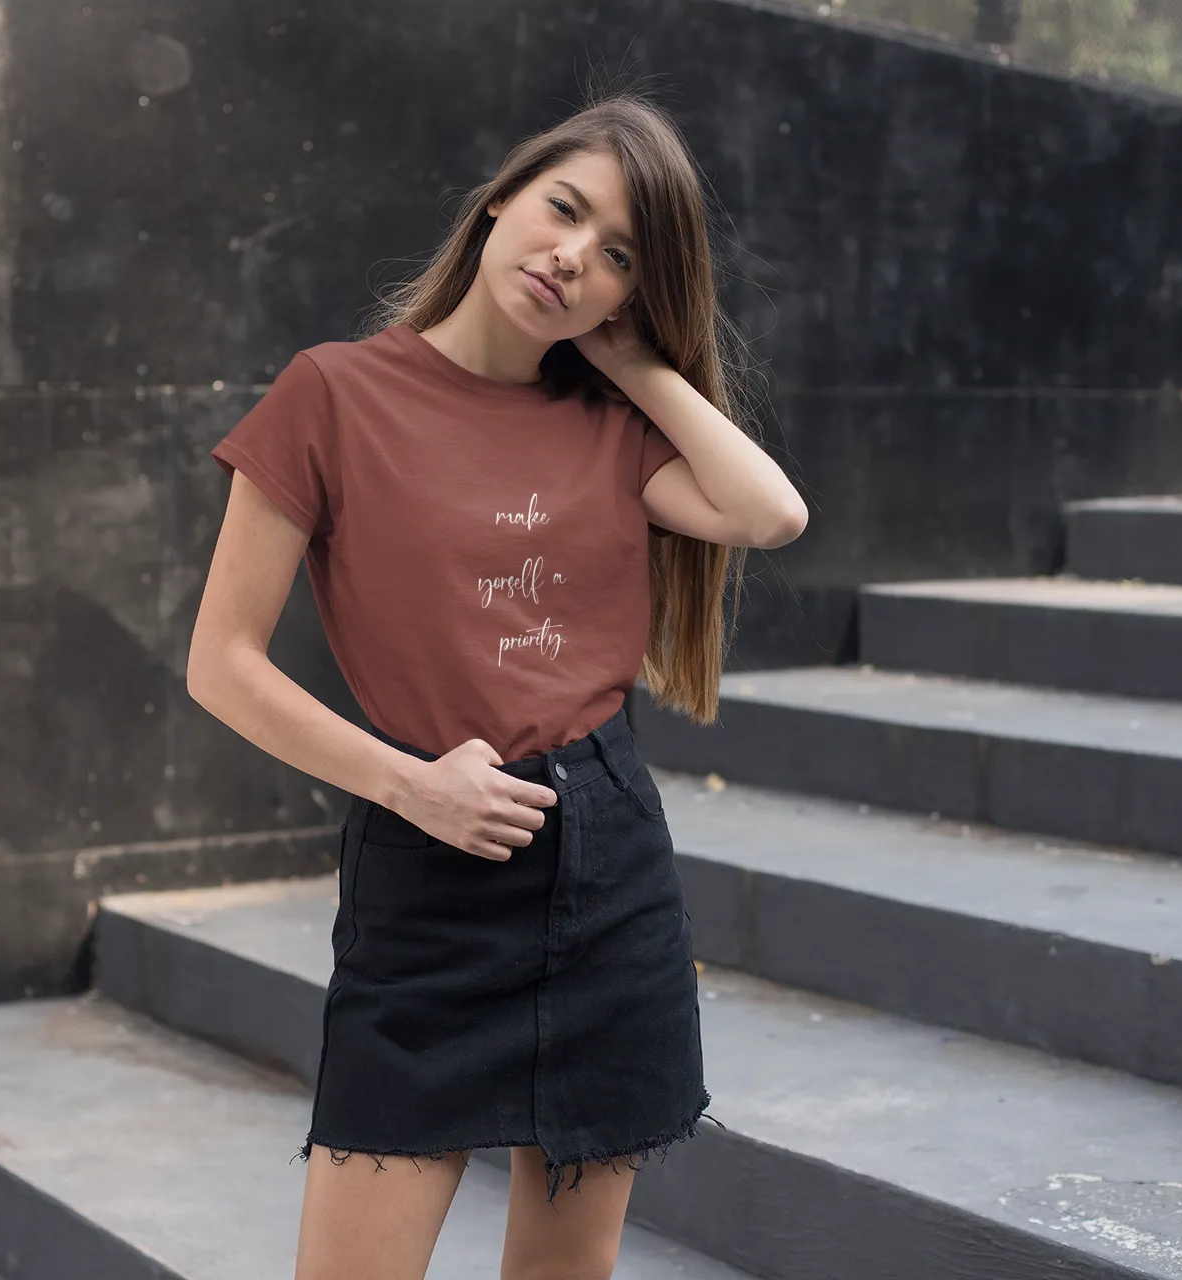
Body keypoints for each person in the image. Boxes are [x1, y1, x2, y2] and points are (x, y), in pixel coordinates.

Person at [187, 85, 808, 1280]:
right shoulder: (333, 394)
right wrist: (407, 783)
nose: (573, 255)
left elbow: (768, 512)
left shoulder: (609, 422)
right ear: (499, 201)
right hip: (429, 875)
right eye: (563, 210)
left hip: (607, 872)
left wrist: (633, 362)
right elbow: (221, 661)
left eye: (618, 255)